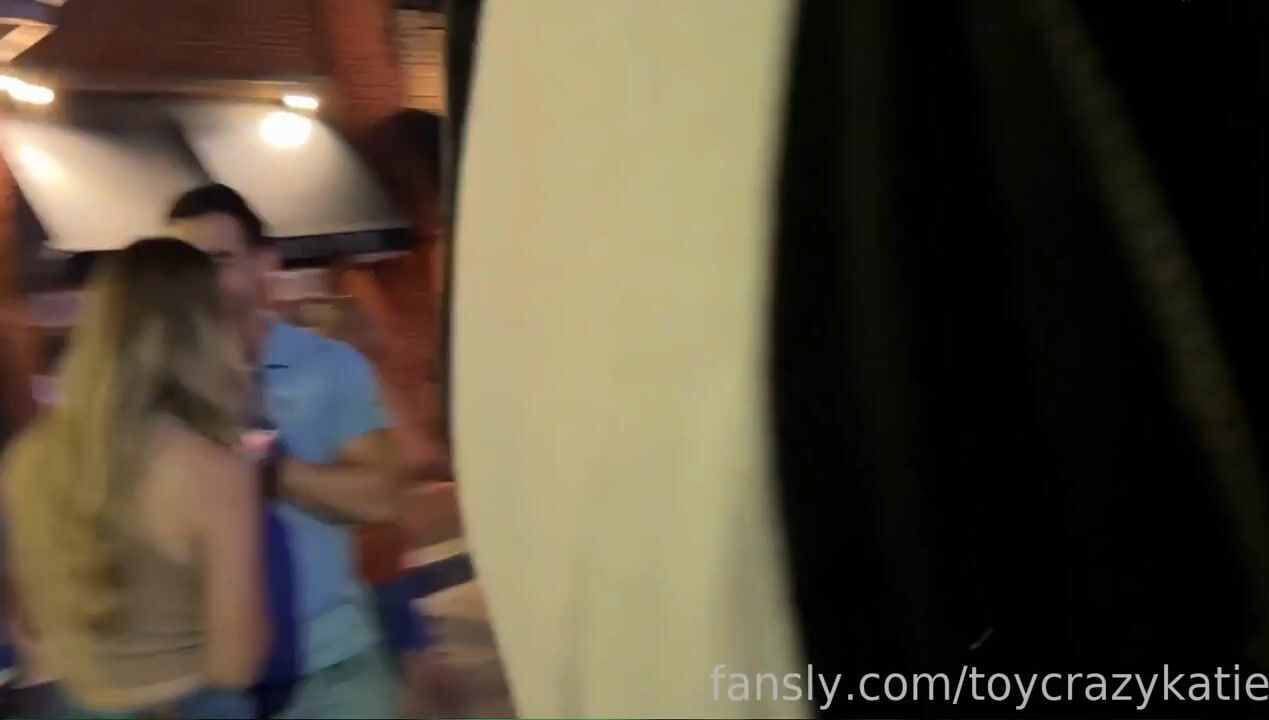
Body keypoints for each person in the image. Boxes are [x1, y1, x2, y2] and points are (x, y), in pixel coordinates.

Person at [1, 238, 269, 718]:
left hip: (70, 703)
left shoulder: (27, 458)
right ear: (204, 334)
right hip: (188, 704)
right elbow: (235, 664)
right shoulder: (213, 470)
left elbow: (31, 624)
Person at [168, 184, 403, 718]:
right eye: (184, 266)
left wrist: (272, 469)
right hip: (210, 681)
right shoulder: (160, 386)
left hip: (333, 671)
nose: (199, 283)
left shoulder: (329, 365)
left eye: (219, 261)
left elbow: (382, 498)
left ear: (264, 264)